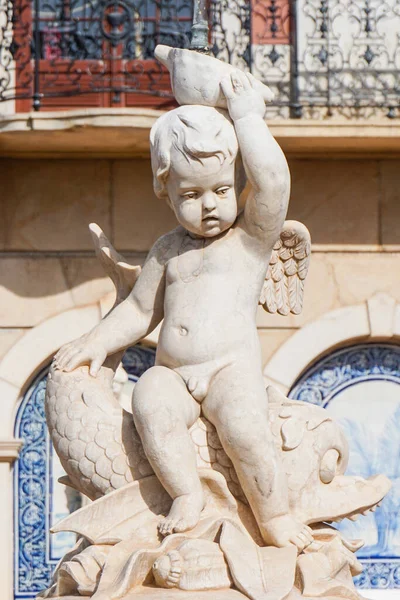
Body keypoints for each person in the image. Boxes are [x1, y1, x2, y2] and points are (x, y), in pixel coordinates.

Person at [55, 70, 313, 551]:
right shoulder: (166, 251)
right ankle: (186, 494)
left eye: (219, 190)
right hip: (174, 374)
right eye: (190, 195)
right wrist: (94, 342)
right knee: (150, 398)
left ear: (236, 182)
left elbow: (274, 183)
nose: (209, 206)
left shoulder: (250, 242)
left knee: (244, 428)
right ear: (166, 193)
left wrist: (248, 117)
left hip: (229, 370)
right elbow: (137, 310)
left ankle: (273, 515)